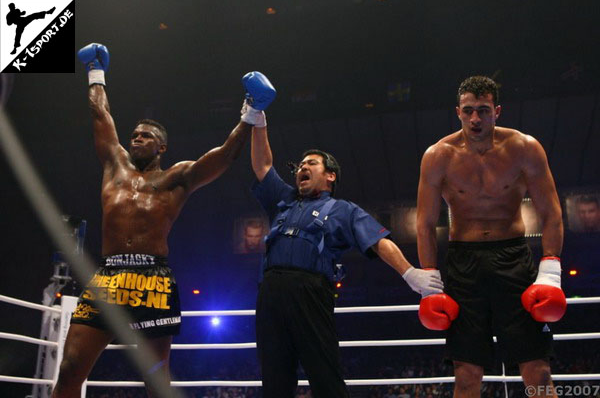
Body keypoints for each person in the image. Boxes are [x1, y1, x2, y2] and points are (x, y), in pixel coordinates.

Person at [51, 43, 261, 398]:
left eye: (145, 136)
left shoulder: (177, 177)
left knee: (155, 380)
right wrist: (96, 74)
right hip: (108, 274)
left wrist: (250, 113)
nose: (136, 139)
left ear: (162, 147)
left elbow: (224, 156)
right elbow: (101, 116)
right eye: (134, 135)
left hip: (153, 279)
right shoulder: (114, 165)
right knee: (71, 367)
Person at [243, 73, 444, 398]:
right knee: (274, 380)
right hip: (270, 293)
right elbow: (263, 165)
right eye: (300, 165)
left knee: (325, 376)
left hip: (311, 291)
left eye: (311, 163)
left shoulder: (342, 209)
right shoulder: (284, 198)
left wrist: (411, 275)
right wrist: (258, 117)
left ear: (330, 175)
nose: (301, 168)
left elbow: (380, 241)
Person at [416, 75, 566, 398]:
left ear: (497, 111)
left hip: (514, 260)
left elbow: (551, 213)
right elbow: (425, 223)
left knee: (537, 370)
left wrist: (550, 271)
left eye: (483, 110)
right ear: (457, 111)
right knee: (467, 376)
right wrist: (429, 279)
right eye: (468, 110)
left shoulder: (525, 149)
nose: (475, 119)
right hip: (463, 265)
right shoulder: (437, 156)